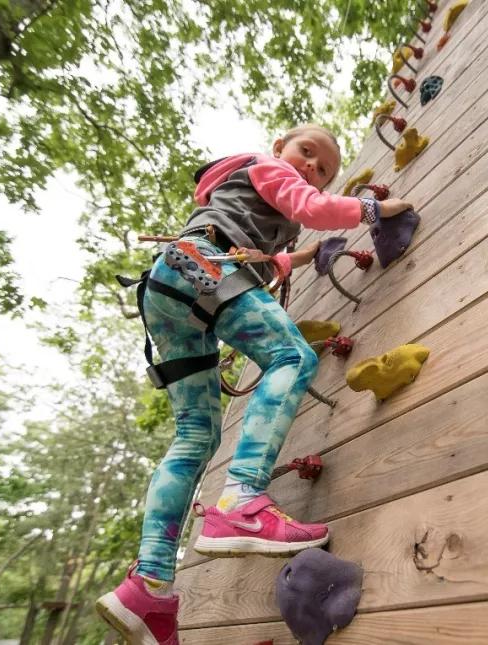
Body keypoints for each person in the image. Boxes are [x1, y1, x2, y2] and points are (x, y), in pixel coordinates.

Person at [95, 124, 412, 644]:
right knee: (292, 355)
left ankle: (148, 584)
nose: (312, 168)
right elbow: (312, 207)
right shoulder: (265, 168)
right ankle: (242, 498)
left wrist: (307, 254)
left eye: (324, 169)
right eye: (307, 153)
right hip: (205, 267)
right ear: (280, 147)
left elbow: (273, 259)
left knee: (196, 436)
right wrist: (375, 210)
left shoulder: (249, 206)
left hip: (171, 288)